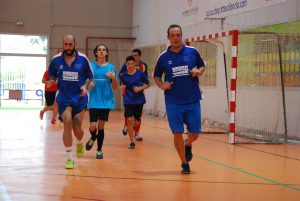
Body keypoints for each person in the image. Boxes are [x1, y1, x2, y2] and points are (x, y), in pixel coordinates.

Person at [153, 24, 205, 174]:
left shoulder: (192, 51)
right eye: (172, 35)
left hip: (192, 99)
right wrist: (162, 85)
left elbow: (202, 66)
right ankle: (184, 163)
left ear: (182, 36)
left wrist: (198, 71)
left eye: (178, 35)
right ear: (168, 37)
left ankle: (188, 144)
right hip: (173, 102)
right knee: (177, 132)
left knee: (195, 133)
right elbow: (156, 76)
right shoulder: (163, 57)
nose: (175, 38)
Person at [48, 34, 93, 169]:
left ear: (75, 44)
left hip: (80, 97)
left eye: (70, 44)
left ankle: (79, 141)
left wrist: (86, 86)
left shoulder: (83, 59)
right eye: (65, 44)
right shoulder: (56, 60)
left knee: (77, 126)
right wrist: (52, 80)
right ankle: (69, 158)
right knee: (67, 121)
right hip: (64, 97)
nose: (68, 47)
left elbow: (89, 77)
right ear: (63, 45)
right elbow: (52, 74)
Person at [85, 44, 117, 159]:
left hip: (106, 101)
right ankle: (93, 137)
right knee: (92, 126)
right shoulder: (91, 66)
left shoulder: (111, 68)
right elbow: (86, 83)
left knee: (101, 126)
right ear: (96, 53)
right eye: (99, 50)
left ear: (107, 53)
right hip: (94, 100)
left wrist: (113, 78)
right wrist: (89, 85)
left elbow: (114, 87)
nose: (102, 52)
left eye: (104, 50)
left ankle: (99, 150)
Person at [119, 55, 149, 149]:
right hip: (128, 100)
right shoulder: (123, 75)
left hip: (139, 100)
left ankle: (128, 126)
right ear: (126, 64)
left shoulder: (140, 73)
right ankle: (132, 141)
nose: (130, 65)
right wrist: (122, 87)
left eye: (132, 63)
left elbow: (148, 84)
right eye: (128, 64)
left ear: (134, 64)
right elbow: (122, 85)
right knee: (129, 120)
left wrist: (140, 88)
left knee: (136, 122)